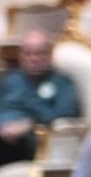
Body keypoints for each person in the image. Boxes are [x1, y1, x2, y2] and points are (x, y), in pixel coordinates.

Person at [0, 29, 84, 164]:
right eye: (28, 53)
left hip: (30, 142)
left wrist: (29, 124)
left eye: (39, 53)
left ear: (50, 55)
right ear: (21, 56)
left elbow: (65, 116)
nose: (34, 59)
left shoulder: (62, 83)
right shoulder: (11, 79)